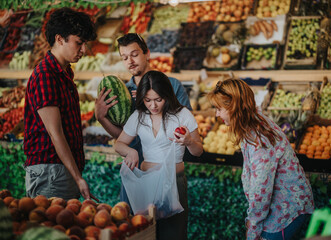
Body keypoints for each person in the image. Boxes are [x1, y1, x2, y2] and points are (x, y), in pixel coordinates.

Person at [207, 79, 314, 240]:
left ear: (233, 107)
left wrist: (253, 227)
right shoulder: (251, 123)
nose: (217, 114)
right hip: (280, 207)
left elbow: (261, 190)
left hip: (285, 212)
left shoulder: (259, 139)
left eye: (219, 109)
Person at [95, 33, 192, 203]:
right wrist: (101, 117)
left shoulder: (172, 86)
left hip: (168, 174)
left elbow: (187, 131)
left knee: (169, 229)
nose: (130, 61)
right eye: (124, 58)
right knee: (138, 225)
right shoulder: (122, 93)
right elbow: (122, 138)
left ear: (146, 53)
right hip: (135, 173)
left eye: (134, 55)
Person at [114, 70, 203, 240]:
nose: (153, 106)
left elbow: (198, 151)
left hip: (174, 184)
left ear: (167, 96)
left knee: (173, 235)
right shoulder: (139, 116)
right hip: (147, 184)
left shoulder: (182, 115)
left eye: (158, 100)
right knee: (146, 233)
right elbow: (119, 144)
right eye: (147, 100)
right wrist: (131, 151)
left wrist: (189, 141)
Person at [23, 8, 97, 201]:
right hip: (50, 173)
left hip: (60, 169)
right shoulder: (46, 75)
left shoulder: (63, 74)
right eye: (78, 43)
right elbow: (55, 134)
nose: (82, 50)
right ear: (59, 39)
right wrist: (78, 178)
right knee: (52, 230)